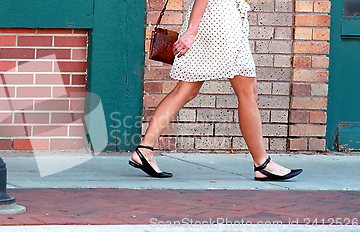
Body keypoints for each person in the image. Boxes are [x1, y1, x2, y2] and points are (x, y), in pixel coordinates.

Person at [129, 0, 303, 180]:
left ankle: (145, 148)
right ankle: (262, 163)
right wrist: (191, 31)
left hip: (212, 19)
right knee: (248, 94)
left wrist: (193, 30)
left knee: (185, 90)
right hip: (221, 20)